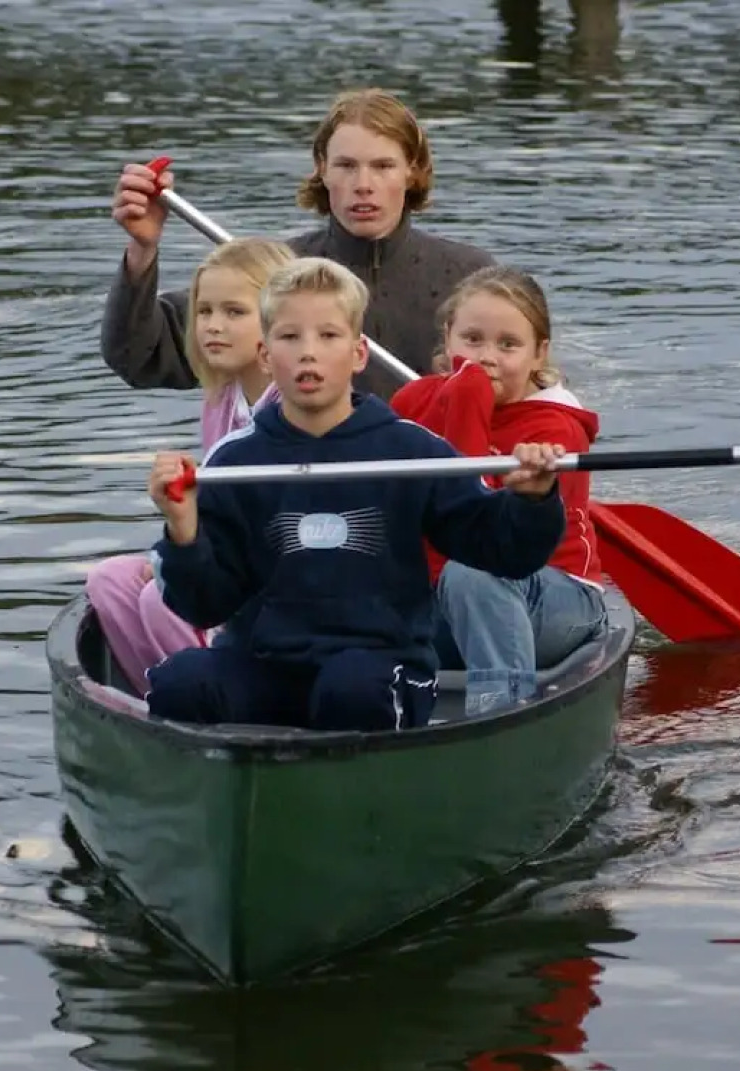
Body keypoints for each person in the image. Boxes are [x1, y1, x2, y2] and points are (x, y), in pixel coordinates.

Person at [143, 257, 568, 733]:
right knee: (179, 683)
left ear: (359, 353)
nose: (309, 354)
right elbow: (205, 606)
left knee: (351, 690)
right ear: (264, 355)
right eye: (290, 337)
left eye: (328, 336)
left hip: (380, 667)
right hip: (265, 664)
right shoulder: (234, 461)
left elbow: (503, 552)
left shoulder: (411, 451)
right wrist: (183, 531)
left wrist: (531, 500)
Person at [102, 88, 494, 401]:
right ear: (322, 169)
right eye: (346, 166)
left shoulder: (471, 278)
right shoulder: (270, 274)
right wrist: (142, 249)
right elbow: (138, 357)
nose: (363, 184)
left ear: (412, 171)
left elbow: (520, 386)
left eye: (382, 166)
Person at [391, 266, 608, 716]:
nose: (487, 357)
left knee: (472, 574)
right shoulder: (412, 401)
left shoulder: (556, 428)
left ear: (538, 354)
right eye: (472, 339)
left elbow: (474, 529)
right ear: (448, 338)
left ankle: (500, 715)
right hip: (435, 597)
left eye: (508, 345)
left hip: (553, 597)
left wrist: (468, 398)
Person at [86, 237, 295, 694]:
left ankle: (220, 695)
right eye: (204, 311)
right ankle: (161, 698)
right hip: (221, 561)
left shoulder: (295, 409)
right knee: (108, 581)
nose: (213, 326)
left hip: (276, 582)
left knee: (162, 601)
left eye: (234, 312)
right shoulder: (221, 399)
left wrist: (186, 564)